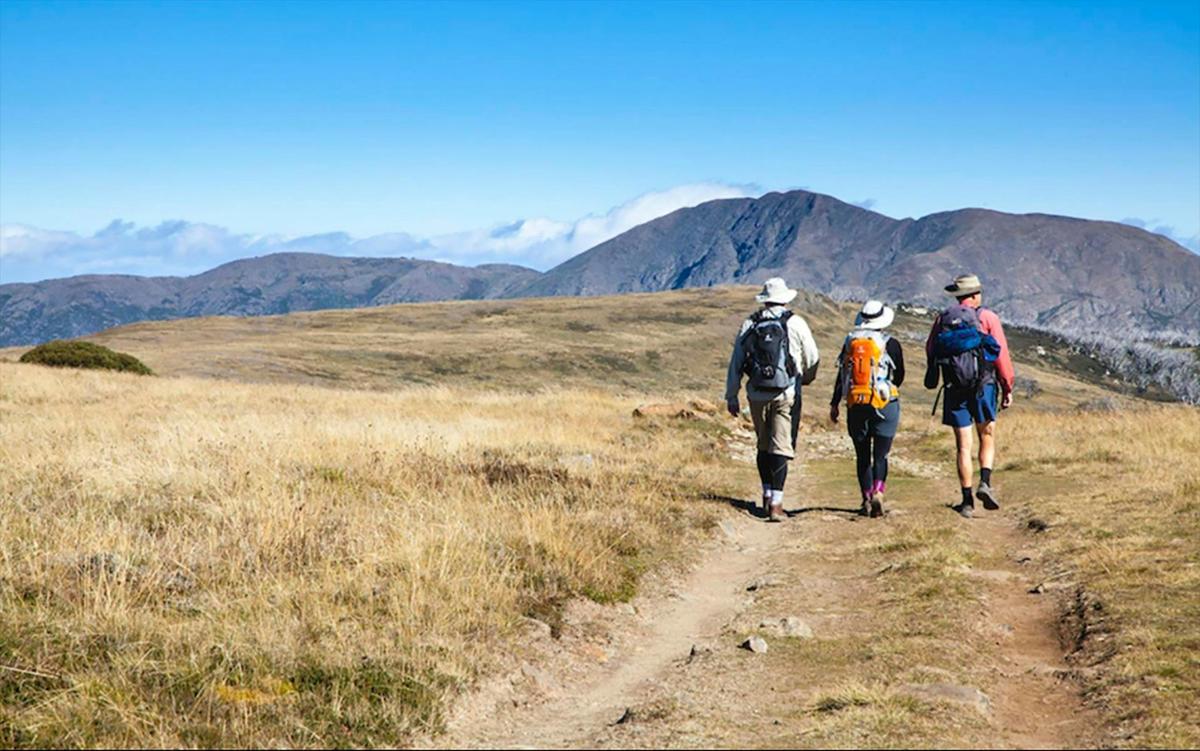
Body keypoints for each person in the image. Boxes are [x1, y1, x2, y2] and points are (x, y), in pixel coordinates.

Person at [725, 278, 820, 522]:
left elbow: (736, 362)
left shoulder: (750, 323)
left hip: (756, 393)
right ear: (786, 298)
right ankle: (777, 504)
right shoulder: (795, 322)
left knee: (763, 443)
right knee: (781, 445)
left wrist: (731, 395)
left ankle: (766, 494)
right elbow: (812, 357)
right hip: (785, 392)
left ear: (764, 299)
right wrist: (804, 378)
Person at [925, 274, 1015, 518]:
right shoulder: (987, 317)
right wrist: (1007, 387)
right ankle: (985, 482)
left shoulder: (943, 318)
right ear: (975, 295)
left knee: (962, 446)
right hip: (983, 386)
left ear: (958, 295)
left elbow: (931, 349)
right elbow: (1001, 355)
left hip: (955, 388)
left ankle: (966, 501)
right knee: (987, 435)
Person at [829, 300, 905, 518]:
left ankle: (866, 498)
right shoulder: (890, 343)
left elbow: (842, 375)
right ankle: (879, 492)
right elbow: (899, 376)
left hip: (856, 403)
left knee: (862, 455)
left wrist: (835, 403)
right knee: (881, 455)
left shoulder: (850, 342)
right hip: (884, 403)